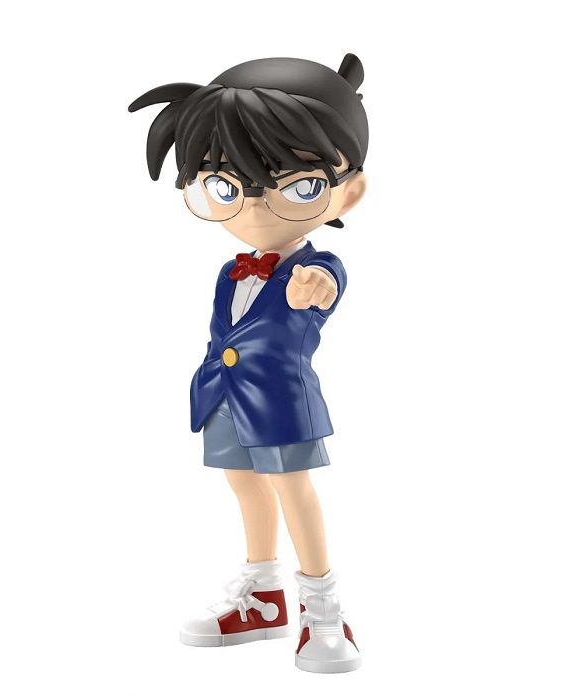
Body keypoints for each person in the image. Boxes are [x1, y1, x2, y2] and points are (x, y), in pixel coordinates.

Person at [129, 53, 368, 673]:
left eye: (298, 185)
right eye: (225, 186)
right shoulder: (228, 272)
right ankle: (263, 598)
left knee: (293, 490)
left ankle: (323, 609)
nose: (255, 208)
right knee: (243, 485)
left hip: (280, 403)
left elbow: (325, 287)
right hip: (224, 397)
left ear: (349, 190)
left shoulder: (315, 267)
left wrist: (315, 285)